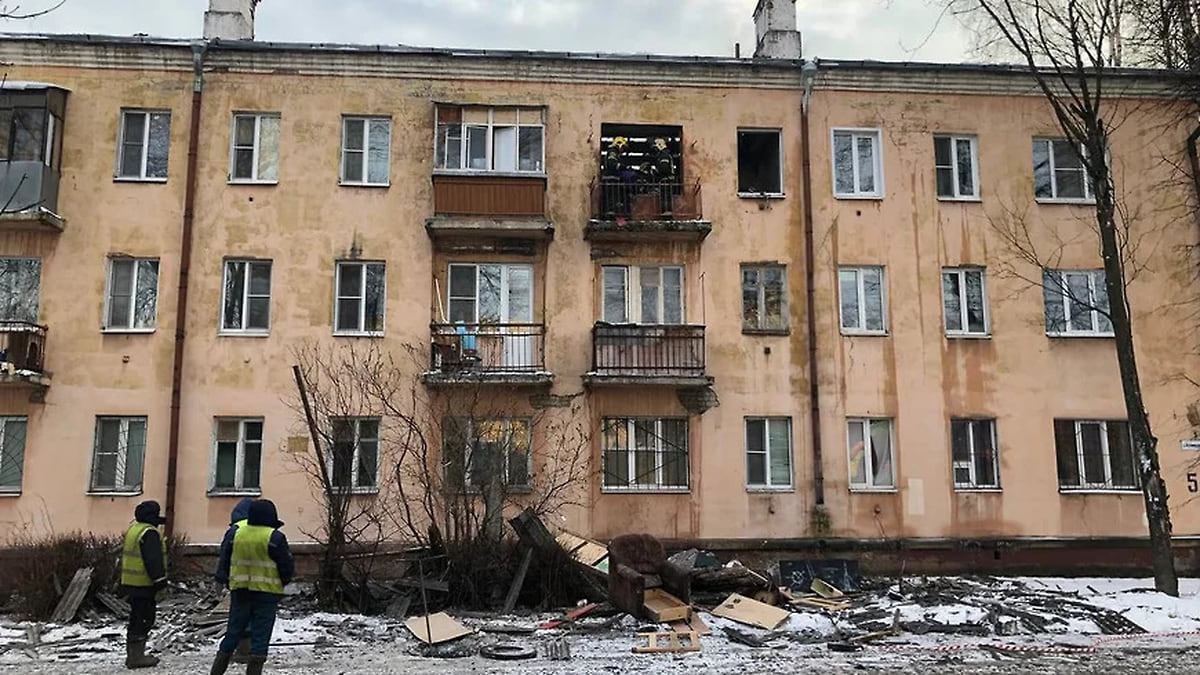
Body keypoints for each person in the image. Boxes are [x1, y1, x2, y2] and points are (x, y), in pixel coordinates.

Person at [209, 499, 294, 675]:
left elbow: (225, 560)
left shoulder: (236, 534)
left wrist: (223, 580)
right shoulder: (275, 537)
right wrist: (283, 581)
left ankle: (216, 671)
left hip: (240, 592)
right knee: (260, 638)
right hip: (267, 595)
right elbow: (286, 566)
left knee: (233, 632)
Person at [120, 500, 168, 669]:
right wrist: (160, 581)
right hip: (144, 584)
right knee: (144, 618)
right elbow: (153, 560)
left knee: (136, 618)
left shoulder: (134, 530)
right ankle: (136, 657)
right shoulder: (149, 533)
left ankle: (133, 655)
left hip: (131, 583)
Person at [223, 498, 254, 664]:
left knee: (238, 616)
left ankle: (241, 650)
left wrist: (221, 577)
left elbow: (225, 556)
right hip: (261, 582)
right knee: (256, 615)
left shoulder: (234, 530)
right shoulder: (262, 529)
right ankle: (252, 649)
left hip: (238, 581)